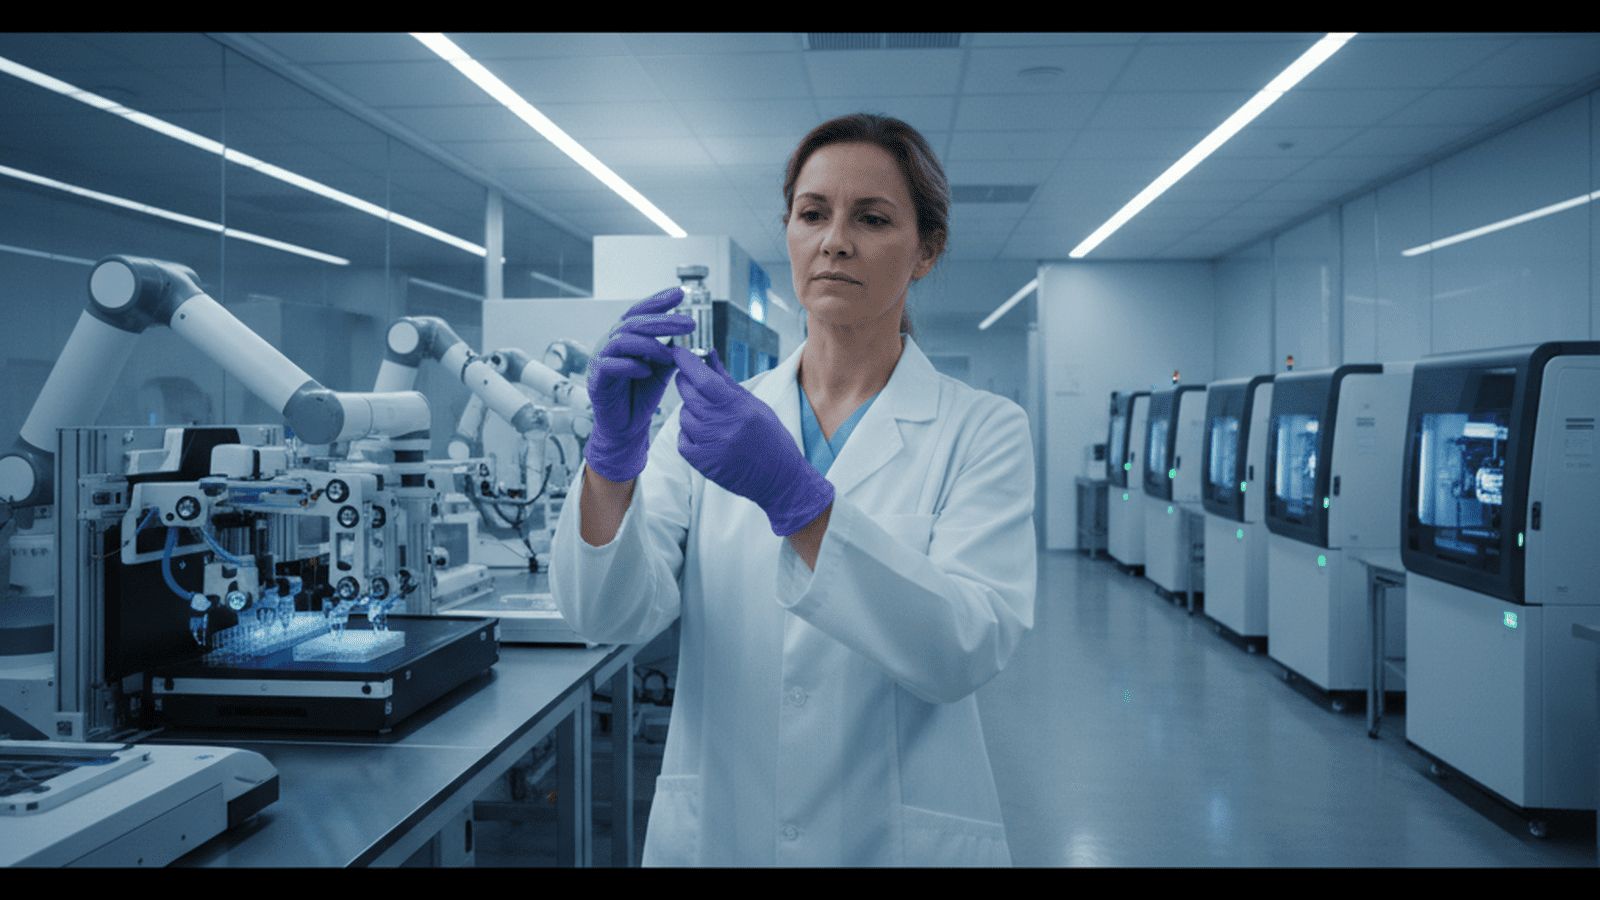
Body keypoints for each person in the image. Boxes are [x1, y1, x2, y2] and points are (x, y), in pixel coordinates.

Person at [551, 113, 1036, 867]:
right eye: (813, 214)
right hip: (727, 827)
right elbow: (604, 615)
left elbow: (965, 650)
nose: (834, 240)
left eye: (872, 219)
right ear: (790, 232)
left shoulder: (982, 429)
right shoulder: (714, 418)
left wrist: (799, 503)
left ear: (926, 252)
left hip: (894, 837)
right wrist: (613, 460)